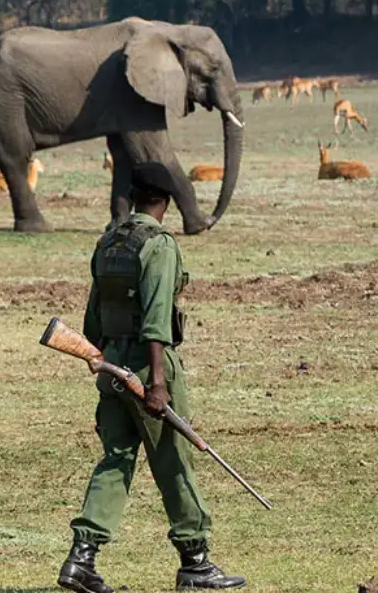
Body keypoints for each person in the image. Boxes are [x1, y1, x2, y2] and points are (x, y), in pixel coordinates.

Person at [60, 164, 246, 592]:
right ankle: (196, 562)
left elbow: (92, 323)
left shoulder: (108, 242)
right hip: (147, 367)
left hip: (111, 366)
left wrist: (107, 374)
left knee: (117, 459)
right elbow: (158, 320)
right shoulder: (158, 246)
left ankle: (81, 559)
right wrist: (158, 383)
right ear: (166, 202)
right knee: (174, 459)